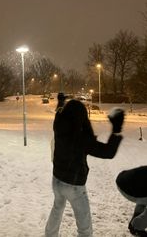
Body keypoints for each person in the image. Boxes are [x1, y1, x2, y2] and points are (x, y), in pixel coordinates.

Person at [45, 93, 124, 237]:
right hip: (74, 186)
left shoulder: (58, 125)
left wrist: (61, 102)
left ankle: (50, 234)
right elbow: (108, 152)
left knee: (57, 208)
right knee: (84, 226)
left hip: (57, 180)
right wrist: (116, 129)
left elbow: (59, 113)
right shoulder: (80, 138)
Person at [116, 166, 147, 237]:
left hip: (122, 179)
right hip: (128, 186)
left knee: (144, 195)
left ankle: (135, 220)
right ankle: (137, 227)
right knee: (144, 195)